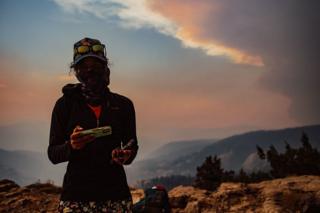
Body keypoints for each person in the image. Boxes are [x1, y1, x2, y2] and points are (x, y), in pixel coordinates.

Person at [47, 37, 139, 212]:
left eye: (96, 65)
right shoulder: (65, 105)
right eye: (84, 66)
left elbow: (132, 144)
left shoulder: (123, 105)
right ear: (76, 71)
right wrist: (72, 146)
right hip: (76, 198)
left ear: (105, 68)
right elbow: (53, 153)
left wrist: (125, 154)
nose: (90, 70)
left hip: (116, 196)